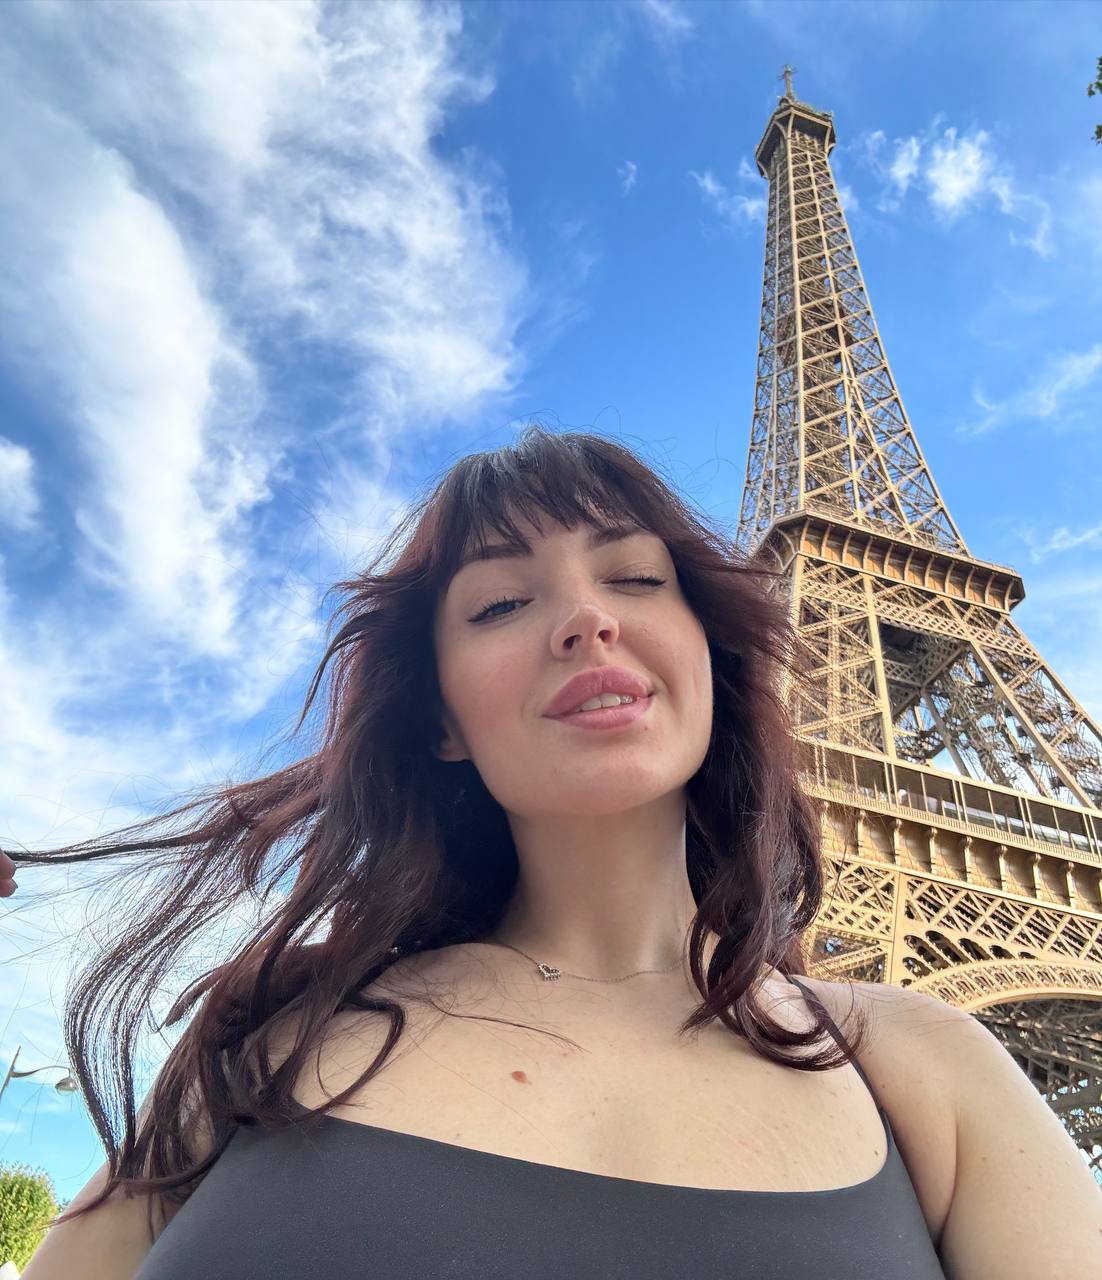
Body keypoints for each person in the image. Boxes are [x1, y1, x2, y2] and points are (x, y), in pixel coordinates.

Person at [9, 427, 1101, 1279]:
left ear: (712, 661)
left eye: (637, 579)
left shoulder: (923, 1066)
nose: (585, 618)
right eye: (501, 602)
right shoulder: (269, 1033)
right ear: (441, 719)